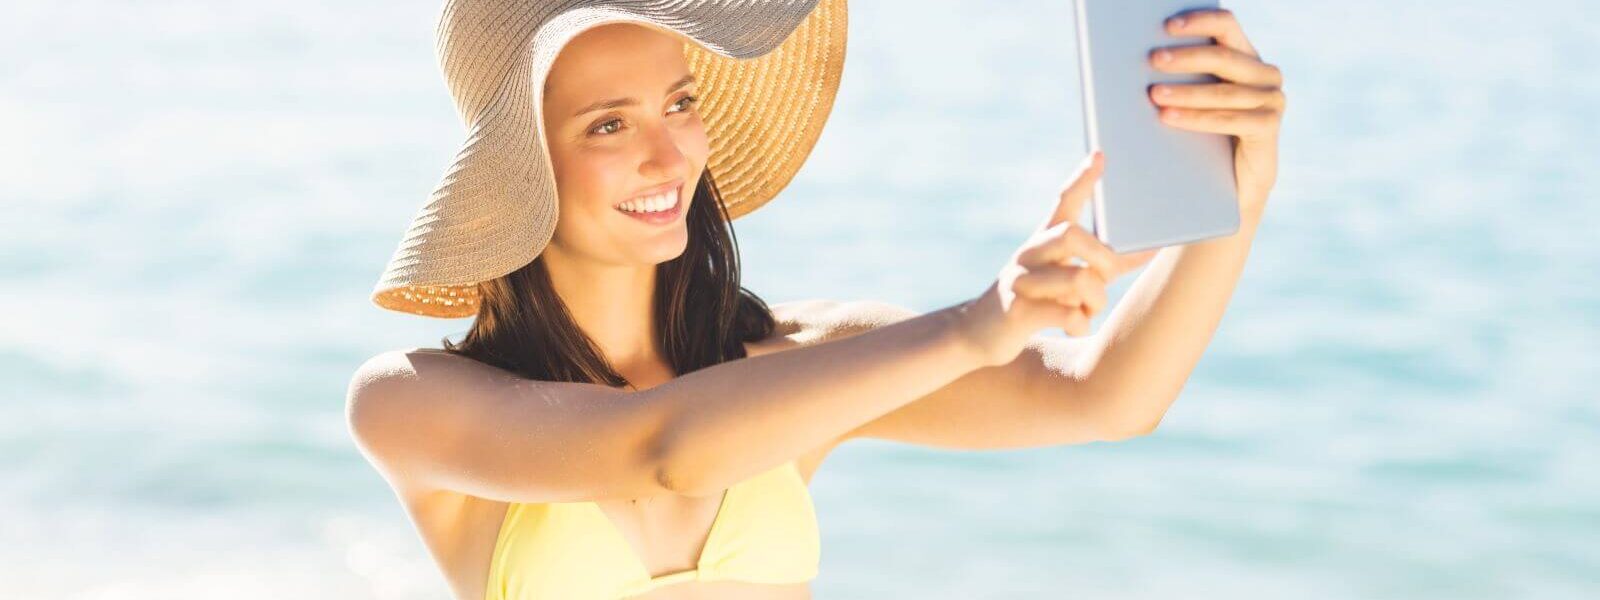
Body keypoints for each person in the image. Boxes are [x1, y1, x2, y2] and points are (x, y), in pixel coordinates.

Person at [345, 1, 1286, 599]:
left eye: (678, 103)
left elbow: (1104, 397)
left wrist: (1238, 196)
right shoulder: (413, 404)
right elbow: (659, 450)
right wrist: (974, 326)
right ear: (520, 172)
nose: (670, 157)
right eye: (609, 124)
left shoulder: (794, 366)